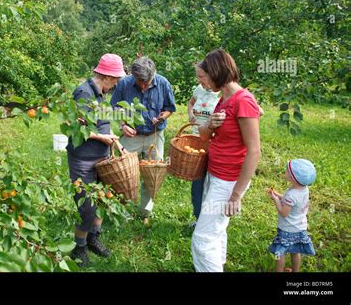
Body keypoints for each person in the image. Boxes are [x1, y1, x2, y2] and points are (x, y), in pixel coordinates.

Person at [191, 48, 261, 272]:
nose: (202, 84)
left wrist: (236, 195)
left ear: (216, 71)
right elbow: (205, 134)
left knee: (202, 239)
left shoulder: (243, 100)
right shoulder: (224, 100)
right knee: (216, 231)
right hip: (216, 173)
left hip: (228, 180)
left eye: (204, 77)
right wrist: (210, 124)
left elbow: (254, 151)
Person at [67, 53, 125, 267]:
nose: (117, 82)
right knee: (87, 206)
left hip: (101, 157)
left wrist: (116, 144)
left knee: (102, 199)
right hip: (83, 159)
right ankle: (79, 247)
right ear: (106, 76)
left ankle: (93, 238)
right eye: (116, 78)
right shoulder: (83, 92)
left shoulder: (101, 94)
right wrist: (102, 138)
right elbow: (76, 127)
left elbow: (103, 125)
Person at [110, 56, 176, 225]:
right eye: (140, 82)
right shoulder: (124, 84)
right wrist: (123, 124)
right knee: (124, 174)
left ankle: (145, 212)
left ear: (153, 75)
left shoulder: (162, 83)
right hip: (132, 136)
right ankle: (122, 211)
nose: (143, 85)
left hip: (154, 136)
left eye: (146, 82)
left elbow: (169, 107)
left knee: (151, 175)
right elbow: (115, 107)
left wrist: (163, 117)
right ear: (133, 76)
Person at [268, 159, 316, 272]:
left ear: (294, 178)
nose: (285, 171)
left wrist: (275, 199)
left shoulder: (291, 195)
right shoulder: (303, 189)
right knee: (295, 251)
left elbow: (283, 212)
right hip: (299, 228)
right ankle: (295, 271)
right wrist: (278, 195)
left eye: (287, 171)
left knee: (279, 253)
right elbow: (291, 202)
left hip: (287, 230)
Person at [187, 70, 220, 227]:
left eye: (202, 77)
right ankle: (199, 217)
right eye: (197, 77)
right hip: (195, 141)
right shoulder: (199, 89)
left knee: (211, 185)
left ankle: (210, 221)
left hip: (212, 144)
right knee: (197, 184)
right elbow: (191, 103)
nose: (199, 80)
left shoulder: (222, 94)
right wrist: (191, 115)